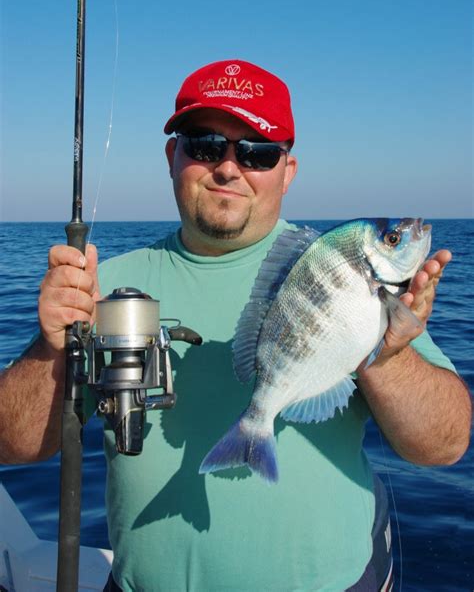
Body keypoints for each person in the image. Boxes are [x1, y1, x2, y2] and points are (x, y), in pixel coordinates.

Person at [0, 59, 471, 592]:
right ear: (171, 155)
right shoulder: (103, 286)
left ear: (287, 171)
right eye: (204, 145)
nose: (229, 168)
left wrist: (387, 358)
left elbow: (444, 448)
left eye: (257, 152)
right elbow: (14, 445)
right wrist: (50, 347)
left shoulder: (345, 276)